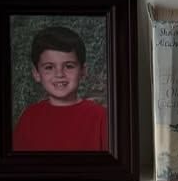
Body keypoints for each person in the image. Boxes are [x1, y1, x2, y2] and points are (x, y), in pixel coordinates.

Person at [13, 24, 109, 152]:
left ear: (83, 71)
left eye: (69, 66)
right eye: (49, 67)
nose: (59, 74)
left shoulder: (101, 117)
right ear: (36, 73)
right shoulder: (29, 117)